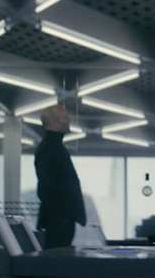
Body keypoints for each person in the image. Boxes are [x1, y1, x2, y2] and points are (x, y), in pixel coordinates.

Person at [35, 104, 86, 248]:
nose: (68, 120)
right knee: (57, 257)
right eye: (64, 117)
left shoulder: (54, 147)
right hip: (59, 220)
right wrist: (63, 217)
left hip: (61, 219)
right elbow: (46, 187)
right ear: (54, 122)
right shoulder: (50, 148)